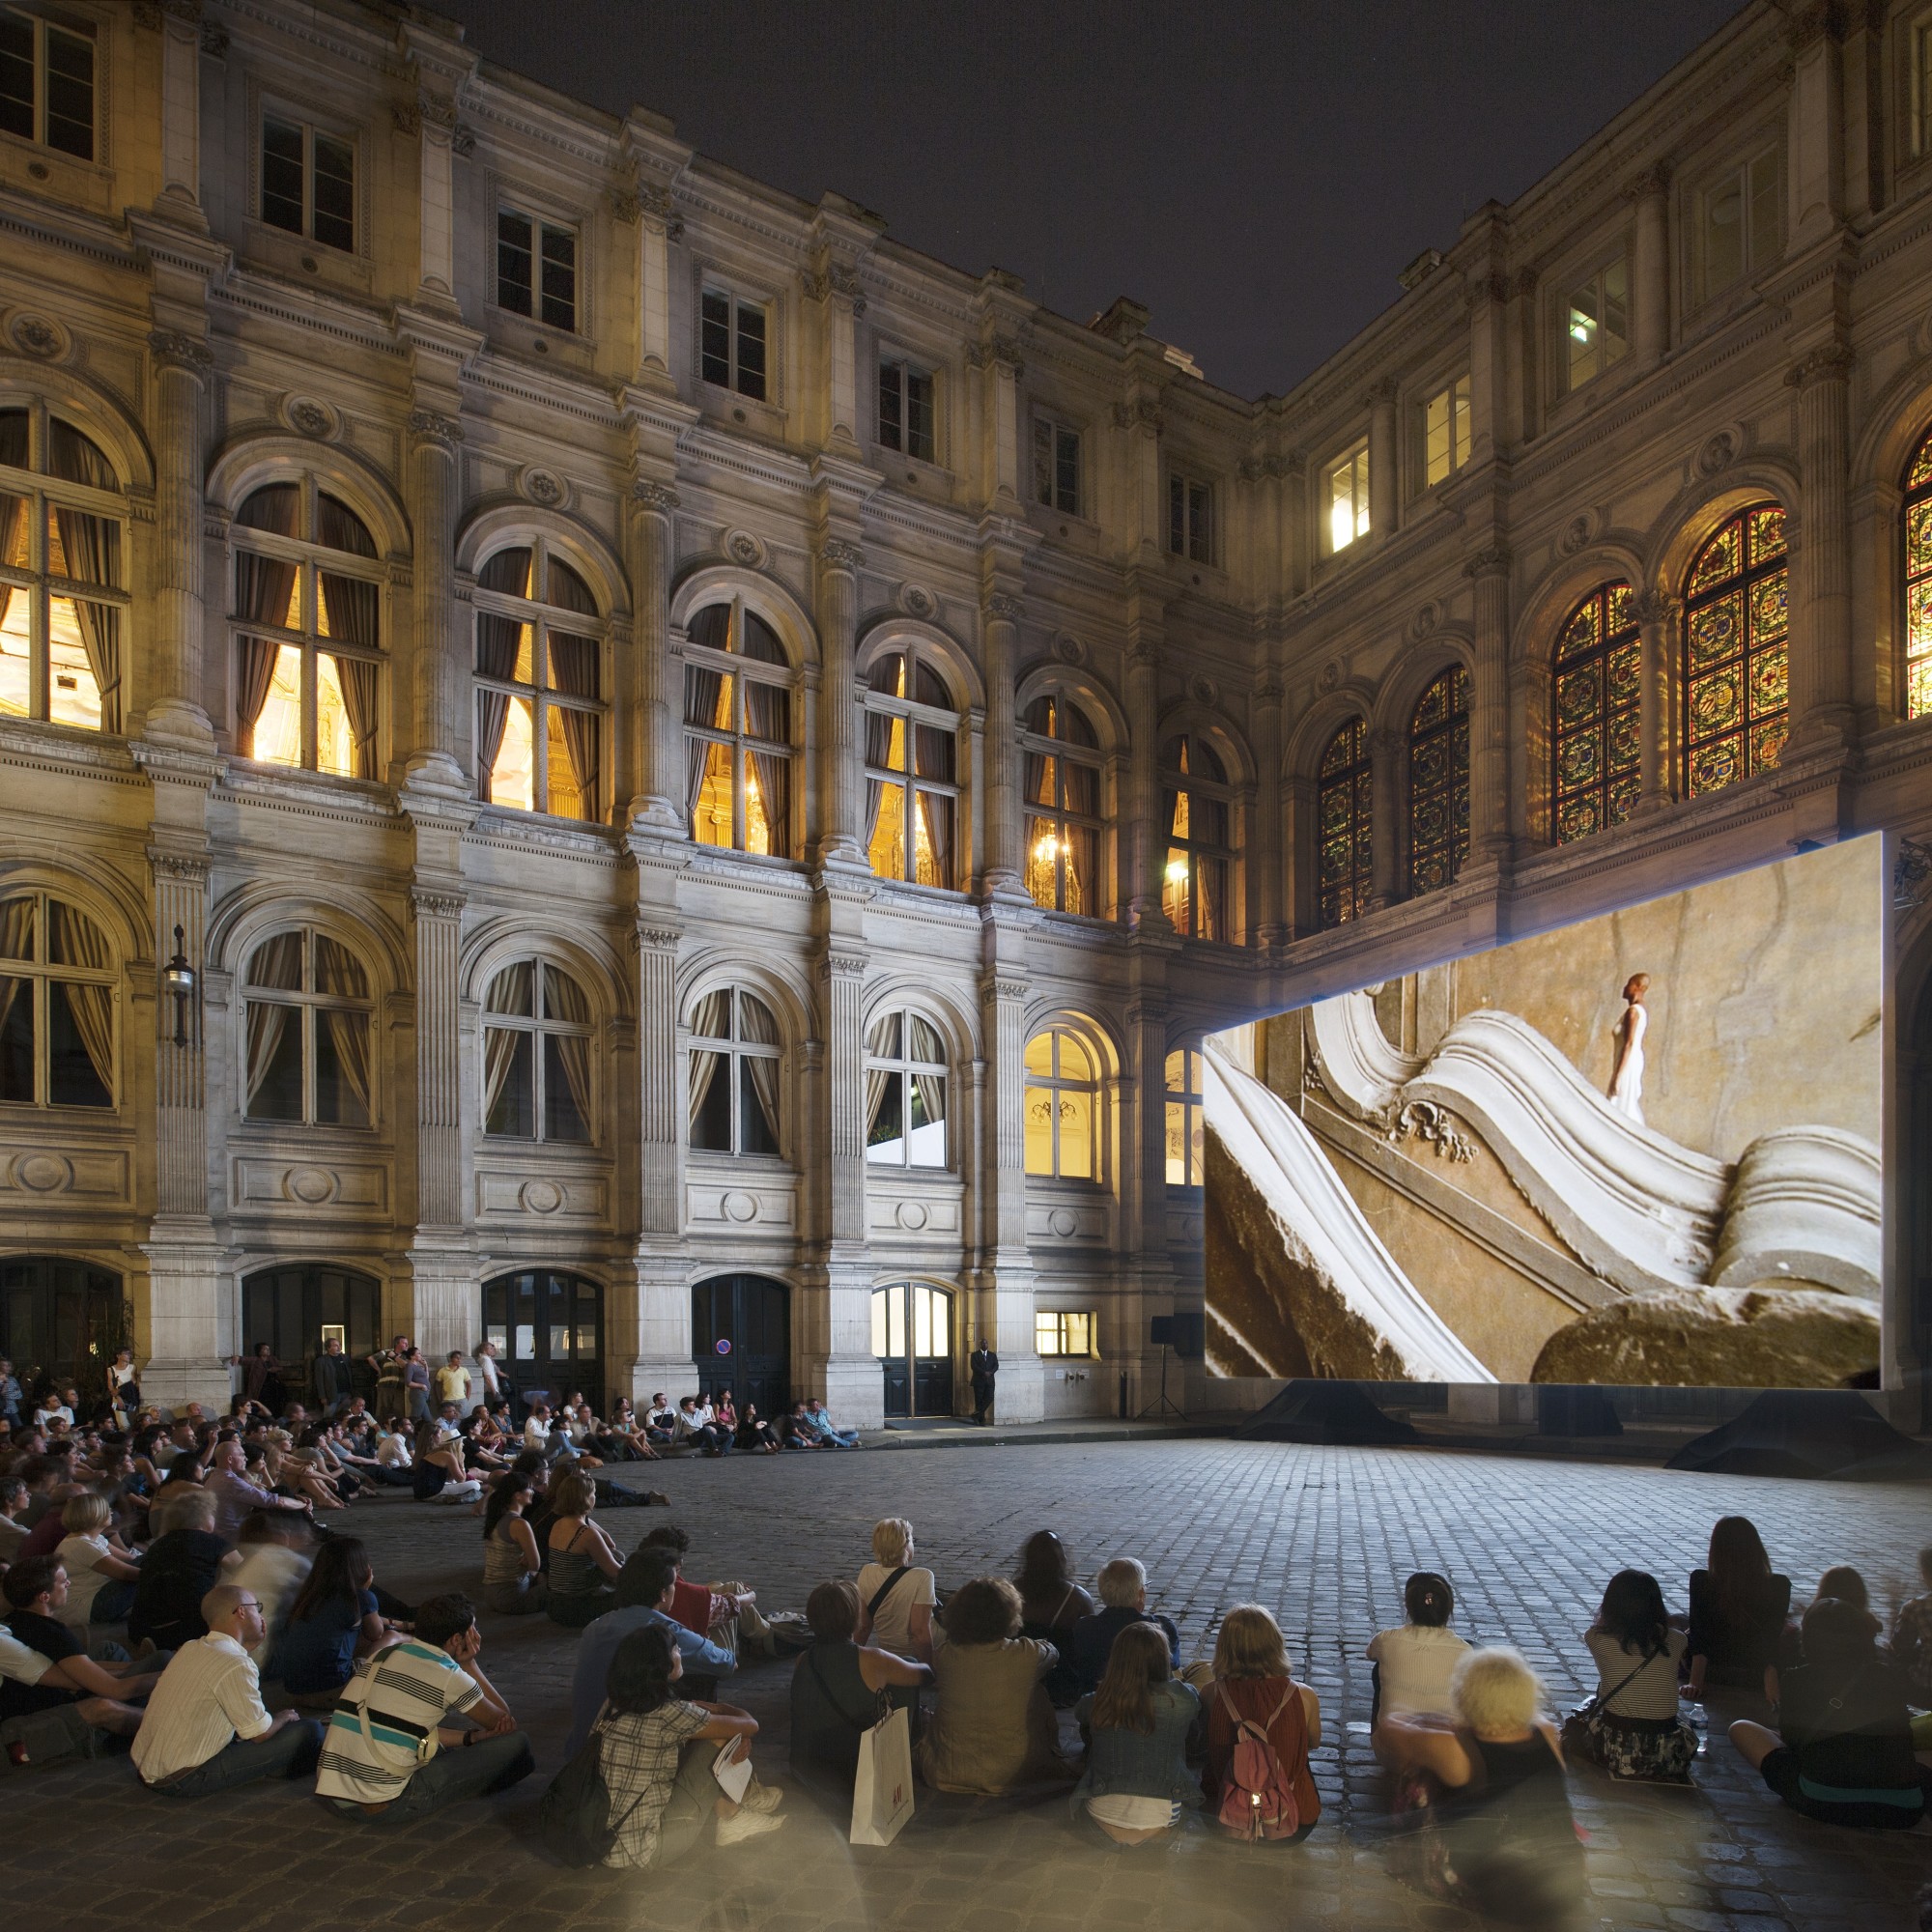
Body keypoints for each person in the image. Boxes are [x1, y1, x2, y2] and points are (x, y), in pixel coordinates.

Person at [1380, 1647, 1584, 1927]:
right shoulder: (1547, 1732)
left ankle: (1423, 1862)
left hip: (1506, 1888)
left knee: (1421, 1779)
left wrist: (1439, 1723)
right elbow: (1524, 1724)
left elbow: (1389, 1730)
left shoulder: (1455, 1749)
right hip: (1563, 1876)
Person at [315, 1592, 535, 1821]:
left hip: (334, 1794)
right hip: (383, 1802)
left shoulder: (384, 1654)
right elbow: (503, 1722)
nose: (477, 1636)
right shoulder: (450, 1675)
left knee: (423, 1737)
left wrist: (471, 1738)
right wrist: (470, 1663)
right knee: (517, 1744)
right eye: (472, 1631)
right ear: (456, 1641)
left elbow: (398, 1726)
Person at [582, 1622, 785, 1864]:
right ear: (662, 1666)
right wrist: (719, 1709)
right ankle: (732, 1817)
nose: (680, 1654)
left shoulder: (614, 1704)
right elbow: (750, 1725)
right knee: (721, 1737)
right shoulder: (668, 1713)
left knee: (708, 1737)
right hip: (647, 1849)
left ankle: (744, 1794)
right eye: (676, 1650)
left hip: (601, 1840)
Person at [1727, 1597, 1931, 1829]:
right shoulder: (1887, 1676)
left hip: (1823, 1800)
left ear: (1809, 1639)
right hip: (1903, 1808)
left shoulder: (1797, 1679)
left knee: (1741, 1729)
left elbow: (1794, 1744)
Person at [130, 1582, 324, 1794]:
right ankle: (281, 1767)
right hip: (185, 1777)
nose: (260, 1615)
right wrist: (284, 1717)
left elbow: (230, 1682)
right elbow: (260, 1733)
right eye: (256, 1607)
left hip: (148, 1768)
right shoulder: (234, 1662)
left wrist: (247, 1649)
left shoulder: (191, 1647)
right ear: (241, 1611)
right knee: (309, 1730)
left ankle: (273, 1764)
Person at [567, 1547, 739, 1759]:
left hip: (582, 1745)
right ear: (662, 1594)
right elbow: (727, 1664)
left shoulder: (595, 1627)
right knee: (705, 1674)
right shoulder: (664, 1633)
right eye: (673, 1585)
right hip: (621, 1750)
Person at [789, 1577, 932, 1809]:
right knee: (906, 1668)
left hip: (805, 1766)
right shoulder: (872, 1659)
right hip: (852, 1768)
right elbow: (924, 1675)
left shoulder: (803, 1660)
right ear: (855, 1619)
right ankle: (906, 1751)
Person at [916, 1576, 1065, 1795]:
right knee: (1036, 1688)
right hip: (1012, 1773)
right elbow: (1053, 1652)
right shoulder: (1026, 1654)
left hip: (947, 1770)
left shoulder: (945, 1655)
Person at [1070, 1619, 1203, 1844]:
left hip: (1099, 1816)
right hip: (1162, 1820)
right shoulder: (1183, 1699)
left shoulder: (1097, 1701)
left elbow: (1081, 1714)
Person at [2, 1556, 160, 1737]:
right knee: (161, 1661)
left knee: (109, 1650)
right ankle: (167, 1728)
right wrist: (169, 1673)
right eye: (63, 1582)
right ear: (44, 1597)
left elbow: (77, 1669)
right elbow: (115, 1689)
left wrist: (136, 1667)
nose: (69, 1584)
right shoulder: (52, 1633)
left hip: (39, 1695)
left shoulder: (13, 1621)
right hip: (48, 1712)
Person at [1201, 1605, 1320, 1839]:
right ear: (1275, 1642)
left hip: (1225, 1819)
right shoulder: (1304, 1696)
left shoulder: (1211, 1693)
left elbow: (1207, 1741)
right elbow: (1313, 1743)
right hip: (1291, 1823)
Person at [1576, 1570, 1696, 1780]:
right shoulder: (1677, 1640)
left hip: (1617, 1748)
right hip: (1667, 1752)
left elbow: (1604, 1630)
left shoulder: (1595, 1638)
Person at [272, 1536, 393, 1709]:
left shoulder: (309, 1595)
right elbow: (377, 1633)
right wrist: (364, 1592)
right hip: (334, 1693)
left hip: (293, 1693)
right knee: (393, 1637)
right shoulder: (360, 1597)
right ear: (360, 1567)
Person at [1687, 1516, 1790, 1703]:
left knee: (1680, 1622)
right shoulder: (1779, 1585)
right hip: (1755, 1669)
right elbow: (1771, 1634)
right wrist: (1770, 1675)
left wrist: (1695, 1682)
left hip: (1714, 1667)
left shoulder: (1702, 1581)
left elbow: (1699, 1632)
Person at [1367, 1571, 1468, 1753]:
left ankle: (1381, 1725)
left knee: (1378, 1668)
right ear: (1449, 1607)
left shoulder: (1386, 1639)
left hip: (1392, 1749)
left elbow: (1370, 1653)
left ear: (1408, 1606)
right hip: (1445, 1751)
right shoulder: (1465, 1651)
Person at [128, 1488, 234, 1651]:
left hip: (139, 1628)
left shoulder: (158, 1545)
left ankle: (161, 1647)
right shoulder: (212, 1542)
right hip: (186, 1625)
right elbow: (243, 1570)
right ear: (204, 1517)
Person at [1067, 1556, 1182, 1694]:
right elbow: (1173, 1664)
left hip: (1099, 1700)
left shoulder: (1084, 1628)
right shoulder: (1162, 1627)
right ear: (1140, 1593)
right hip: (1149, 1702)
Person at [1014, 1529, 1095, 1707]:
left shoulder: (1010, 1593)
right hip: (1061, 1686)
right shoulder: (1077, 1599)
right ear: (1061, 1560)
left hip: (1017, 1680)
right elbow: (1089, 1644)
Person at [545, 1470, 623, 1628]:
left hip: (553, 1604)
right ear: (585, 1499)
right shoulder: (586, 1534)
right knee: (633, 1596)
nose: (595, 1497)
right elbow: (614, 1571)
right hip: (576, 1607)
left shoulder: (558, 1524)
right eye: (593, 1494)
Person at [856, 1517, 938, 1663]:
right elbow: (919, 1631)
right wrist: (928, 1668)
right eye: (912, 1540)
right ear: (905, 1546)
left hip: (888, 1653)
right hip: (914, 1656)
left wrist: (852, 1658)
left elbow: (864, 1626)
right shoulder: (923, 1576)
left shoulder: (866, 1572)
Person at [52, 1492, 143, 1627]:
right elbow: (127, 1574)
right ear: (94, 1514)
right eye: (107, 1509)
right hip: (88, 1607)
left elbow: (130, 1558)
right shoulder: (81, 1545)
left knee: (152, 1564)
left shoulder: (93, 1538)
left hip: (97, 1594)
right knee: (148, 1577)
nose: (111, 1511)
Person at [227, 1512, 313, 1650]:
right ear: (279, 1537)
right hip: (268, 1650)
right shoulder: (286, 1559)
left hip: (234, 1646)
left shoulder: (244, 1558)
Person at [207, 1436, 308, 1543]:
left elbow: (267, 1495)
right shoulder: (231, 1482)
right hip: (235, 1535)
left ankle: (309, 1529)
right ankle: (310, 1531)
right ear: (230, 1459)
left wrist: (295, 1498)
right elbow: (278, 1502)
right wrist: (302, 1504)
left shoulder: (214, 1477)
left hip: (224, 1532)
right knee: (281, 1493)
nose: (245, 1459)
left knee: (281, 1492)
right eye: (242, 1455)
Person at [477, 1471, 549, 1614]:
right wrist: (527, 1560)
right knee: (564, 1585)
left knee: (541, 1577)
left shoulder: (497, 1517)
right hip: (511, 1598)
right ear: (518, 1495)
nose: (532, 1491)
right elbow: (535, 1564)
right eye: (529, 1488)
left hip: (491, 1594)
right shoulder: (519, 1524)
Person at [1890, 1545, 1932, 1707]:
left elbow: (1898, 1647)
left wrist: (1894, 1606)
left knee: (1890, 1664)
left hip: (1926, 1687)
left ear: (1926, 1574)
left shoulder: (1917, 1606)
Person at [1607, 971, 1649, 1122]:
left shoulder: (1633, 1012)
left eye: (1629, 984)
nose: (1625, 988)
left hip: (1628, 1060)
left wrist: (1617, 1076)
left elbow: (1629, 1042)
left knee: (1619, 1098)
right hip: (1630, 1058)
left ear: (1638, 986)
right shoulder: (1640, 1010)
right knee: (1621, 1099)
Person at [310, 1338, 355, 1417]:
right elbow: (319, 1380)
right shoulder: (321, 1361)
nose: (339, 1347)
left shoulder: (345, 1358)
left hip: (346, 1393)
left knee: (346, 1416)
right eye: (335, 1345)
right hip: (331, 1394)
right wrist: (322, 1396)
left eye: (339, 1345)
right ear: (328, 1348)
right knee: (329, 1416)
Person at [105, 1347, 141, 1422]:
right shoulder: (111, 1369)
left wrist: (120, 1389)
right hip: (118, 1397)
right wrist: (118, 1396)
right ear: (118, 1356)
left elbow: (133, 1382)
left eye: (129, 1354)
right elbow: (110, 1386)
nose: (129, 1355)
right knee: (124, 1424)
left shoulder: (132, 1367)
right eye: (126, 1353)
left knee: (132, 1422)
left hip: (130, 1396)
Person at [970, 1339, 998, 1426]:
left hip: (990, 1381)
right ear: (980, 1345)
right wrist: (983, 1372)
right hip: (978, 1381)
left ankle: (975, 1415)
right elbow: (974, 1366)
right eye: (983, 1343)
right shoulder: (974, 1355)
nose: (985, 1344)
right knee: (979, 1400)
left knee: (990, 1397)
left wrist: (991, 1372)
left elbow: (996, 1365)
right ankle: (981, 1420)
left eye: (986, 1343)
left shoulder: (992, 1355)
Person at [435, 1350, 471, 1415]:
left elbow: (468, 1385)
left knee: (460, 1419)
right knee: (447, 1418)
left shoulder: (464, 1370)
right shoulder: (443, 1370)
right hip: (447, 1399)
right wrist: (439, 1399)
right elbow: (437, 1385)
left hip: (461, 1399)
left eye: (460, 1358)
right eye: (457, 1358)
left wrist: (466, 1398)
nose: (459, 1360)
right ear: (451, 1359)